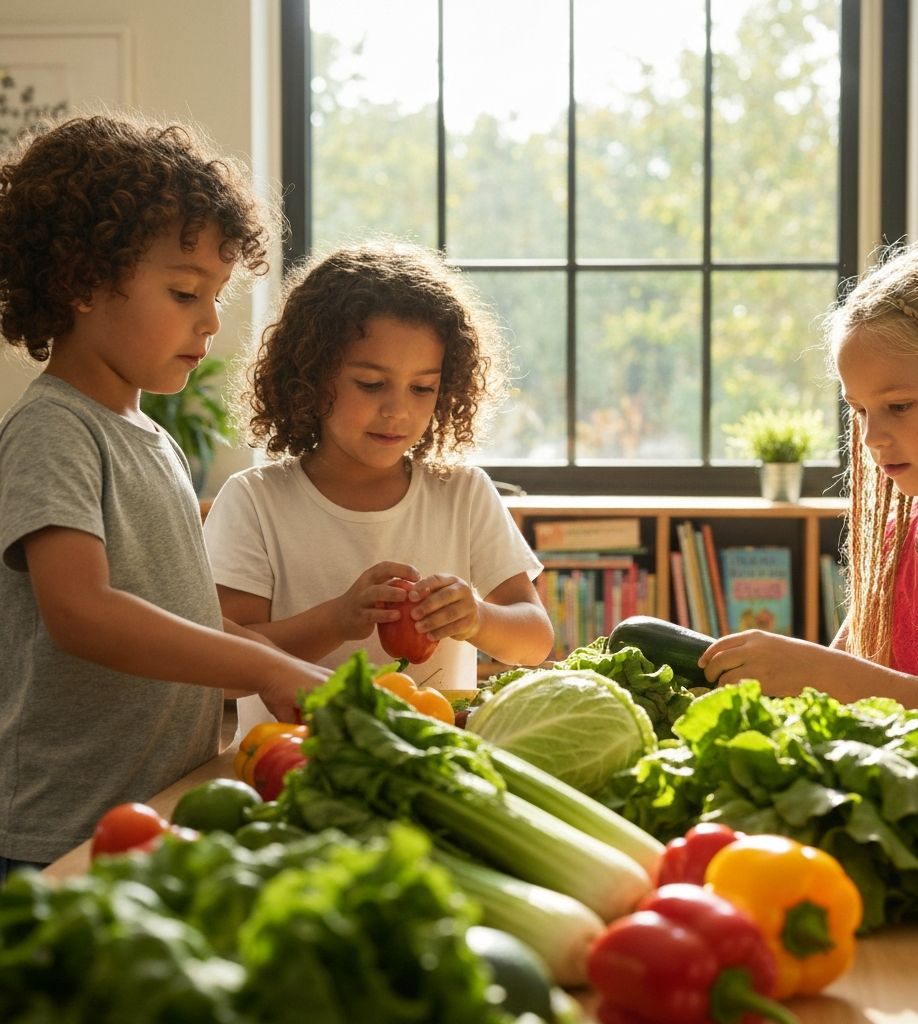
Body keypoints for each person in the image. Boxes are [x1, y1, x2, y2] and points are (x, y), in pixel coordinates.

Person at [0, 114, 331, 878]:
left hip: (154, 806)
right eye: (185, 292)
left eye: (215, 294)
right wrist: (263, 670)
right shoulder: (54, 430)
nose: (212, 322)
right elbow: (83, 613)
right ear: (81, 281)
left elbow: (186, 622)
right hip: (60, 832)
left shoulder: (153, 438)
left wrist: (286, 655)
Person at [203, 241, 554, 731]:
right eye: (371, 384)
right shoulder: (255, 501)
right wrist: (336, 620)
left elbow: (536, 639)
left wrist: (476, 617)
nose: (398, 411)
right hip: (295, 764)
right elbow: (220, 668)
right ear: (310, 376)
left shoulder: (463, 493)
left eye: (422, 388)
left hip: (429, 760)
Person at [698, 238, 918, 753]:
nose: (872, 437)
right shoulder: (901, 532)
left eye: (898, 406)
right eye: (860, 410)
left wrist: (828, 672)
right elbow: (838, 678)